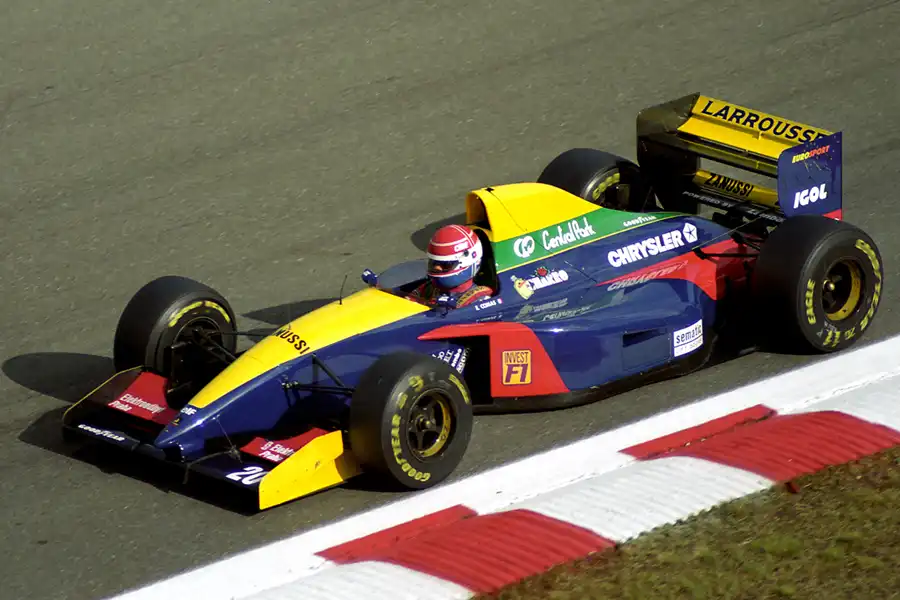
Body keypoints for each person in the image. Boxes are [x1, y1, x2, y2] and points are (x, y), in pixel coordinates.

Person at [408, 224, 495, 308]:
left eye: (446, 264)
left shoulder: (480, 300)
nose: (437, 268)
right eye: (434, 263)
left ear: (467, 262)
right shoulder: (430, 289)